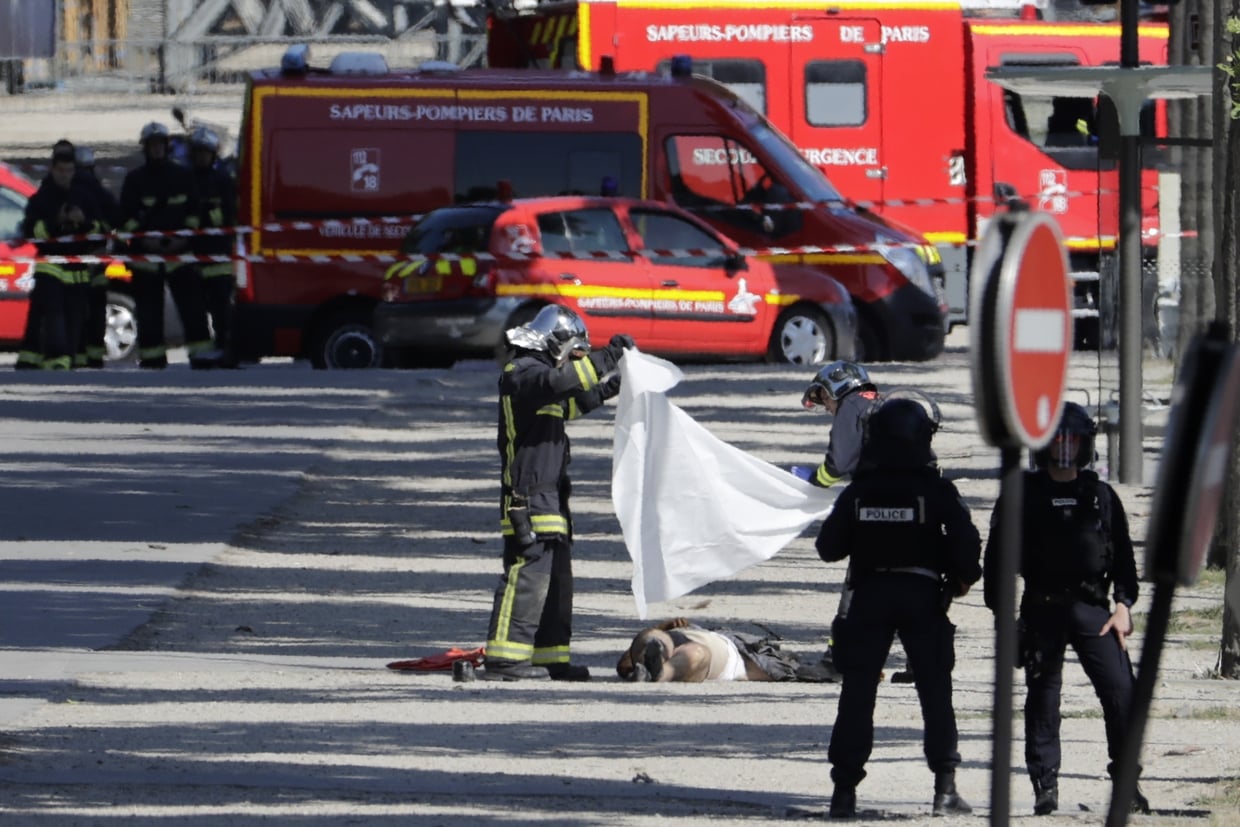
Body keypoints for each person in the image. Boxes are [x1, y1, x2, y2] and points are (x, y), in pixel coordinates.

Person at [815, 397, 981, 819]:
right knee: (935, 693)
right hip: (922, 596)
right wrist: (960, 577)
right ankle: (945, 789)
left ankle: (844, 793)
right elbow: (966, 544)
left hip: (869, 596)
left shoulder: (859, 492)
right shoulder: (936, 490)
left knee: (857, 695)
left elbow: (828, 547)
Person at [982, 402, 1150, 817]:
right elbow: (997, 562)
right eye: (1057, 441)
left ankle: (1127, 782)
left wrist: (1124, 606)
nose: (1064, 449)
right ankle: (1045, 785)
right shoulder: (1021, 494)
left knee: (1122, 692)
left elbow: (1124, 560)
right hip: (1042, 609)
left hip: (1095, 610)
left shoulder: (1101, 496)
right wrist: (1004, 618)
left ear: (1084, 445)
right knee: (1043, 699)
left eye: (1072, 441)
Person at [481, 305, 635, 682]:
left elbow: (572, 402)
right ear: (555, 344)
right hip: (526, 498)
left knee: (556, 583)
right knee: (528, 579)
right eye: (573, 352)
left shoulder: (542, 383)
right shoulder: (522, 373)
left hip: (550, 498)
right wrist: (610, 355)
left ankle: (551, 658)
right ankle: (504, 660)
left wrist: (614, 385)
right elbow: (562, 382)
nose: (574, 360)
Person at [798, 361, 916, 684]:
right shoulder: (886, 407)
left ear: (838, 388)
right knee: (912, 584)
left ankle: (837, 662)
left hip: (877, 510)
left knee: (857, 586)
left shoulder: (850, 406)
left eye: (825, 398)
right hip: (915, 509)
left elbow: (838, 463)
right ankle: (920, 662)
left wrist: (814, 481)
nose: (827, 407)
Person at [119, 121, 210, 368]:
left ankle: (201, 357)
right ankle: (152, 360)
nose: (157, 148)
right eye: (152, 144)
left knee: (193, 310)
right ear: (145, 147)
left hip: (180, 255)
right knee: (149, 314)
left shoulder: (183, 176)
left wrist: (183, 239)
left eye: (160, 144)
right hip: (146, 258)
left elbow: (195, 212)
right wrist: (145, 240)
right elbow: (125, 219)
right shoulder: (135, 180)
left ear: (167, 146)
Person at [15, 140, 103, 370]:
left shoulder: (85, 197)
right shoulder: (42, 198)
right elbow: (32, 232)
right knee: (55, 321)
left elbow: (100, 233)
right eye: (61, 170)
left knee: (74, 326)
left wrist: (84, 222)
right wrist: (57, 222)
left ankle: (59, 365)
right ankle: (55, 366)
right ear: (53, 170)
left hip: (78, 274)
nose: (65, 175)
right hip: (51, 271)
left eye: (69, 171)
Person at [185, 126, 239, 368]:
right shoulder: (185, 180)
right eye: (198, 152)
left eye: (205, 153)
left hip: (219, 256)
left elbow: (232, 215)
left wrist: (213, 216)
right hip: (192, 256)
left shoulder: (223, 180)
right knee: (194, 312)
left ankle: (226, 352)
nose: (201, 157)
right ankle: (200, 356)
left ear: (213, 154)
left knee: (222, 310)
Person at [616, 618, 807, 683]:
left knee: (696, 654)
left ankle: (655, 672)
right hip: (682, 636)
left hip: (714, 658)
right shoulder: (763, 657)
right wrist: (663, 626)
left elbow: (808, 673)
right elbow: (624, 665)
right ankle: (650, 664)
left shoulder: (771, 665)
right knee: (654, 636)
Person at [73, 144, 122, 368]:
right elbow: (117, 219)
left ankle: (80, 354)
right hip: (97, 258)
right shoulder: (101, 192)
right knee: (95, 310)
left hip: (74, 261)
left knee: (77, 309)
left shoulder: (69, 192)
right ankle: (94, 356)